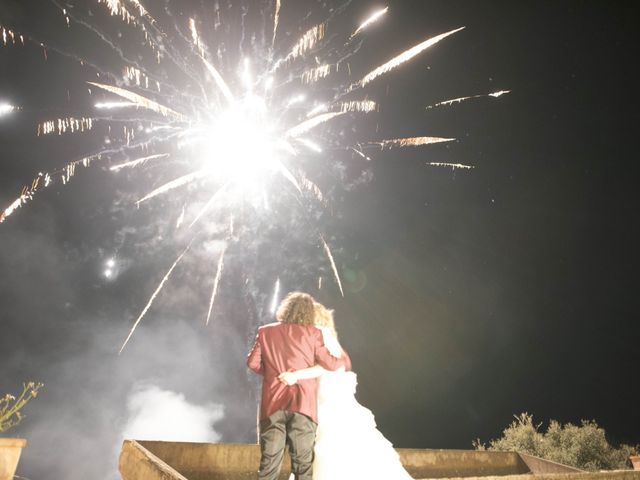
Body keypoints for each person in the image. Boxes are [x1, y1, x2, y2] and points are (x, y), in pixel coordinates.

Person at [278, 303, 413, 480]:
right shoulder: (327, 336)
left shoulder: (320, 335)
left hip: (330, 404)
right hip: (334, 402)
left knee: (330, 447)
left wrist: (296, 376)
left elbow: (327, 367)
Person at [247, 292, 352, 480]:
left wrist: (273, 375)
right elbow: (329, 363)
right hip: (303, 404)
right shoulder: (314, 333)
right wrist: (342, 359)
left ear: (285, 309)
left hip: (272, 404)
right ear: (308, 312)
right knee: (303, 464)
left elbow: (253, 364)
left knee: (269, 463)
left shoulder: (265, 331)